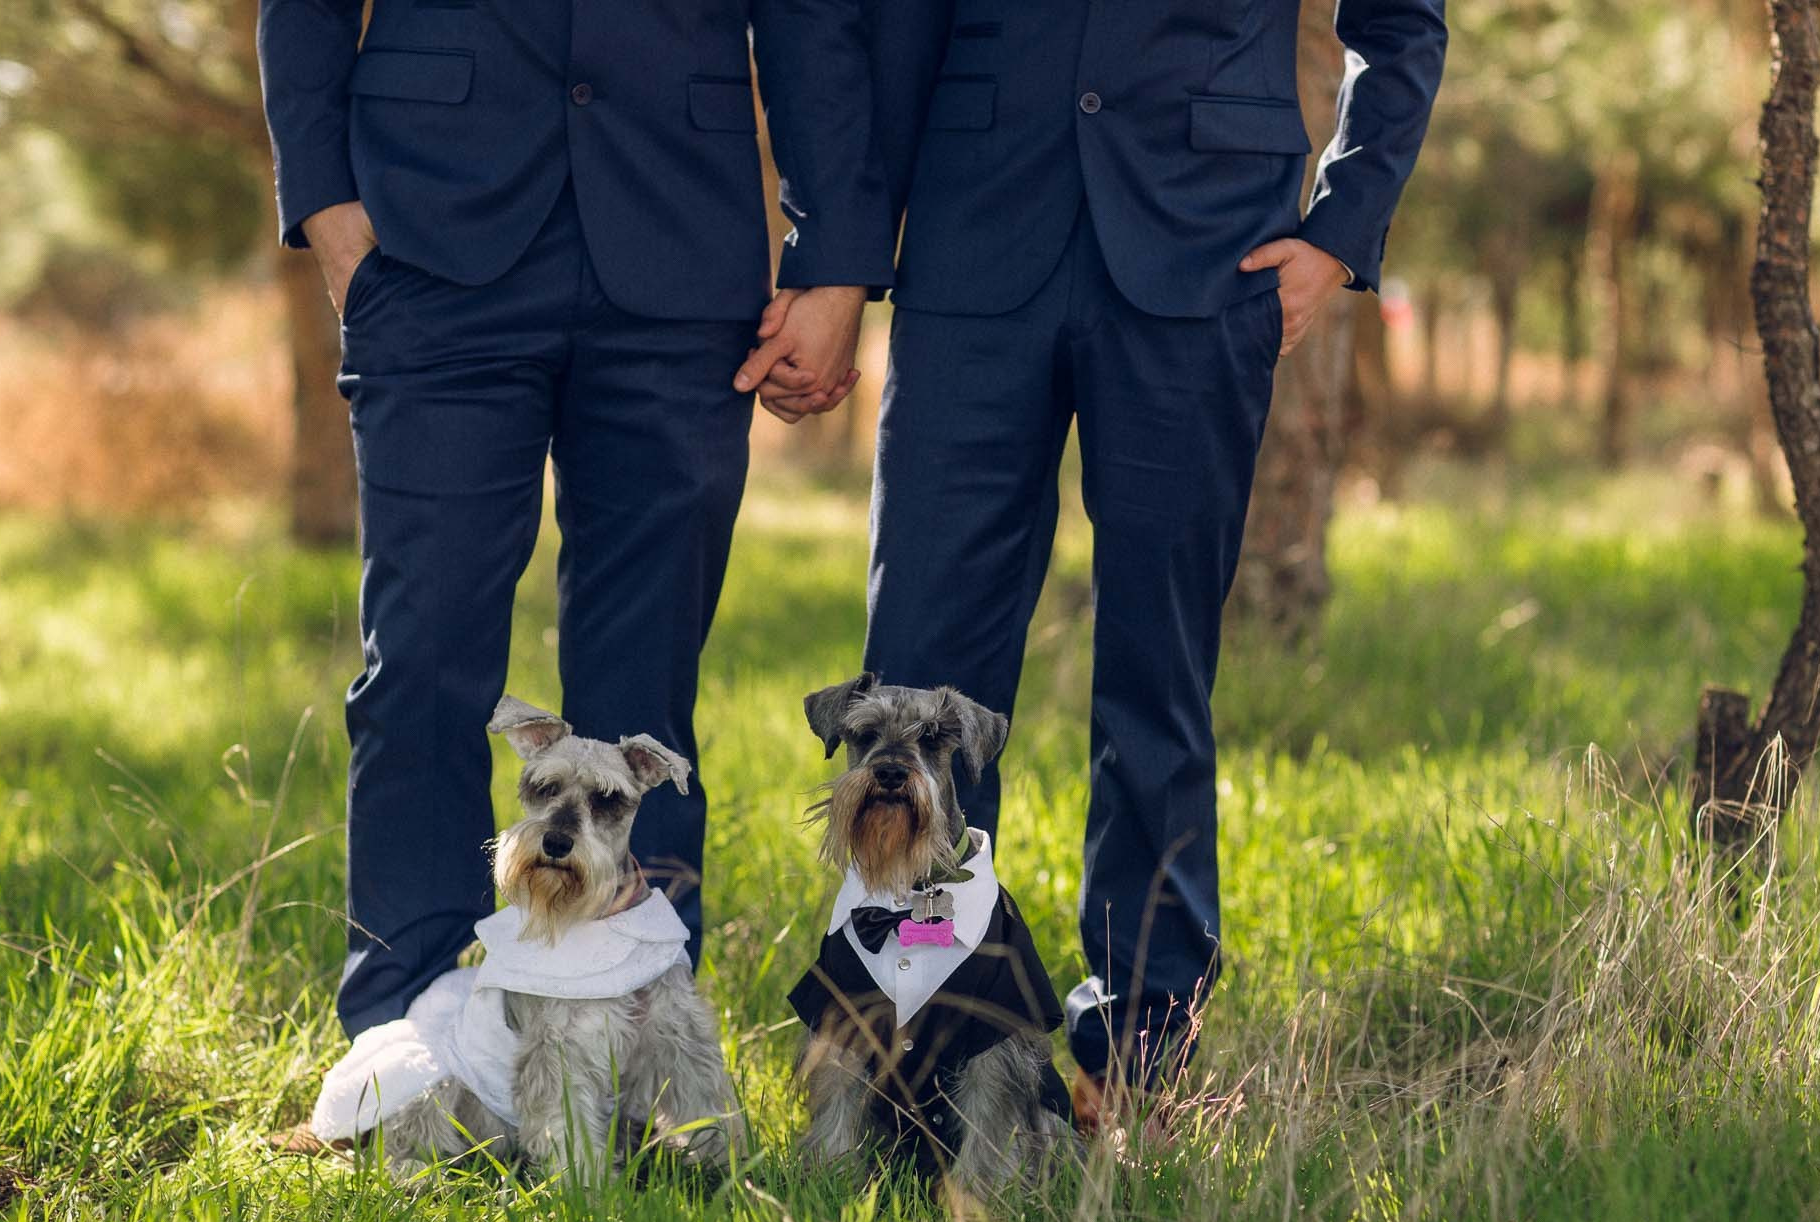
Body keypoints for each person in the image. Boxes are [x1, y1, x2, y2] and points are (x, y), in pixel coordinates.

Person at [763, 0, 1448, 1122]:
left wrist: (1339, 231)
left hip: (1204, 246)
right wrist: (837, 251)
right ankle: (913, 1044)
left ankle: (1139, 1048)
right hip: (968, 236)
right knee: (919, 672)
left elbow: (1400, 18)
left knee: (1155, 675)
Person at [257, 0, 885, 1037]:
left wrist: (835, 260)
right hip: (426, 243)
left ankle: (639, 1051)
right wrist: (327, 208)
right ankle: (407, 1041)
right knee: (422, 657)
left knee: (643, 692)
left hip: (679, 247)